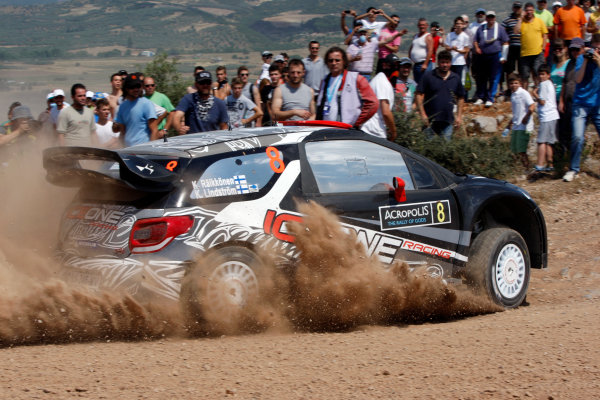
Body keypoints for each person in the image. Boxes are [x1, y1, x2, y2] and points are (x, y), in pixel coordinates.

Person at [563, 33, 600, 181]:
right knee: (577, 137)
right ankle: (574, 169)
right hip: (580, 104)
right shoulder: (580, 59)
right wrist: (585, 60)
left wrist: (598, 60)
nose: (595, 51)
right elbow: (578, 79)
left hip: (597, 105)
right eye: (594, 48)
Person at [316, 46, 378, 128]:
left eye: (337, 60)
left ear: (344, 62)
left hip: (347, 131)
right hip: (326, 130)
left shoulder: (356, 79)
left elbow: (373, 103)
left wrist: (356, 123)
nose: (334, 63)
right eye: (330, 60)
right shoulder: (324, 81)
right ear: (327, 63)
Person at [415, 50, 466, 140]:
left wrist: (459, 117)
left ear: (451, 63)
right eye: (442, 62)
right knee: (426, 149)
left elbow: (461, 97)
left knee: (445, 150)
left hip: (447, 121)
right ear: (438, 62)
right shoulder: (429, 76)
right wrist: (423, 115)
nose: (445, 65)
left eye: (447, 62)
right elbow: (418, 94)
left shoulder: (455, 78)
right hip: (430, 121)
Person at [473, 11, 510, 107]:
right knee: (482, 77)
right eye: (489, 17)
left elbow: (505, 42)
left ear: (495, 18)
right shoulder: (481, 28)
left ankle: (490, 98)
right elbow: (475, 40)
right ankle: (481, 97)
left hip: (495, 55)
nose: (490, 19)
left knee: (494, 77)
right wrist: (477, 48)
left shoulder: (500, 29)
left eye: (492, 17)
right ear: (486, 18)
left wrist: (504, 57)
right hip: (483, 56)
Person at [113, 74, 159, 146]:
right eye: (132, 87)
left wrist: (150, 149)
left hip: (143, 149)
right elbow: (123, 132)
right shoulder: (122, 107)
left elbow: (154, 130)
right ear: (126, 89)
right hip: (128, 150)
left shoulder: (146, 104)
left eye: (138, 86)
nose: (136, 89)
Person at [558, 37, 585, 153]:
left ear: (583, 49)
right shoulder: (570, 63)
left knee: (577, 132)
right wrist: (561, 100)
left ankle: (577, 156)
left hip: (580, 102)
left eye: (577, 50)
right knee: (564, 130)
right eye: (572, 50)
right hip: (568, 101)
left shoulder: (586, 63)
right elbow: (565, 81)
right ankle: (565, 155)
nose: (574, 52)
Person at [531, 64, 560, 171]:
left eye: (543, 74)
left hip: (546, 116)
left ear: (548, 75)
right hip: (553, 115)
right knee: (549, 142)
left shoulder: (543, 85)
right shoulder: (551, 84)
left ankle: (540, 164)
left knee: (541, 141)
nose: (541, 77)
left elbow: (542, 101)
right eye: (539, 75)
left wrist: (535, 94)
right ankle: (550, 165)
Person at [504, 73, 535, 169]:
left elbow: (532, 106)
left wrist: (526, 117)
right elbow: (516, 112)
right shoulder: (513, 95)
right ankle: (518, 168)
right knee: (514, 148)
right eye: (512, 83)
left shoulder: (524, 93)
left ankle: (527, 168)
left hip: (524, 126)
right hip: (516, 125)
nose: (514, 85)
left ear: (520, 83)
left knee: (521, 149)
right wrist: (509, 124)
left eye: (516, 83)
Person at [515, 2, 549, 87]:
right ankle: (525, 95)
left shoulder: (539, 21)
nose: (529, 12)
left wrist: (543, 48)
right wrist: (520, 19)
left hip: (537, 52)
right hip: (525, 53)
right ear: (524, 11)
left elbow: (545, 35)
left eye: (531, 10)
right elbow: (516, 31)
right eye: (527, 10)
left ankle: (538, 93)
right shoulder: (522, 22)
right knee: (525, 76)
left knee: (538, 74)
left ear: (533, 11)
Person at [361, 70, 397, 141]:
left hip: (368, 130)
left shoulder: (377, 80)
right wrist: (393, 132)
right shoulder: (382, 82)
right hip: (374, 132)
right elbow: (386, 112)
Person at [443, 16, 471, 85]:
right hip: (451, 62)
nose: (459, 25)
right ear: (455, 25)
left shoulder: (465, 36)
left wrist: (458, 50)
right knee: (450, 80)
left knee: (459, 80)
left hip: (460, 62)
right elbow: (446, 47)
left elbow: (466, 49)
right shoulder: (450, 35)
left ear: (463, 25)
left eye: (460, 23)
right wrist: (452, 48)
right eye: (457, 23)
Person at [502, 2, 524, 87]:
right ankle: (510, 88)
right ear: (513, 8)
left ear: (521, 9)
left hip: (522, 47)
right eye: (515, 8)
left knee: (522, 69)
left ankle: (520, 87)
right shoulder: (507, 20)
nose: (517, 9)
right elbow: (502, 32)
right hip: (511, 47)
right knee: (509, 69)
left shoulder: (524, 19)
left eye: (518, 8)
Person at [409, 18, 434, 83]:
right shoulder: (415, 36)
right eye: (420, 25)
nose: (422, 26)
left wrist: (425, 64)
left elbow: (430, 50)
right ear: (418, 26)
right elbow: (411, 48)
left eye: (423, 25)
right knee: (417, 84)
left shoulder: (428, 37)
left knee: (425, 84)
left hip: (424, 64)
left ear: (427, 26)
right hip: (416, 64)